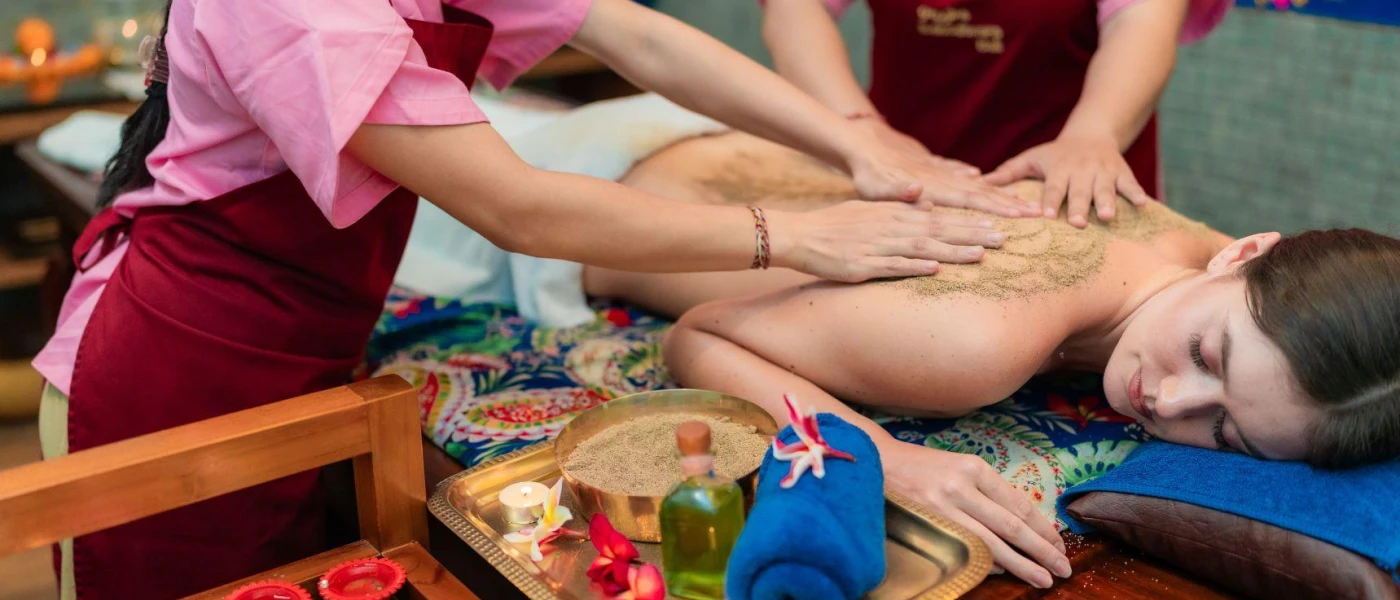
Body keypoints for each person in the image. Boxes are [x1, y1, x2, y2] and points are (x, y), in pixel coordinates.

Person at [30, 0, 1043, 597]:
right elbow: (514, 206)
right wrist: (791, 232)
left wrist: (853, 144)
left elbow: (638, 39)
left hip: (312, 356)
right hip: (173, 375)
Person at [579, 129, 1400, 588]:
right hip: (581, 192)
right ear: (1247, 251)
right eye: (1206, 356)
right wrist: (881, 453)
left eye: (1225, 434)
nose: (1170, 401)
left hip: (705, 143)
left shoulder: (1210, 255)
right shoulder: (974, 346)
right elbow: (697, 334)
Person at [759, 0, 1231, 228]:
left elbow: (1142, 22)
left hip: (1070, 185)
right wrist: (858, 130)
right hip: (903, 177)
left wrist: (1094, 134)